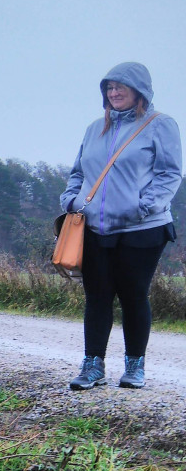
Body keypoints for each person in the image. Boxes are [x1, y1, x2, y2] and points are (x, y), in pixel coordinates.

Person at [60, 63, 182, 391]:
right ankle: (92, 366)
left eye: (120, 88)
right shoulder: (93, 129)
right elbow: (77, 171)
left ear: (139, 91)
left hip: (143, 229)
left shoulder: (160, 125)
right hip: (96, 227)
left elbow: (170, 174)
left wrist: (144, 207)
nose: (113, 94)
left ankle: (134, 367)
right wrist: (71, 200)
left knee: (133, 295)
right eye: (109, 88)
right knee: (96, 296)